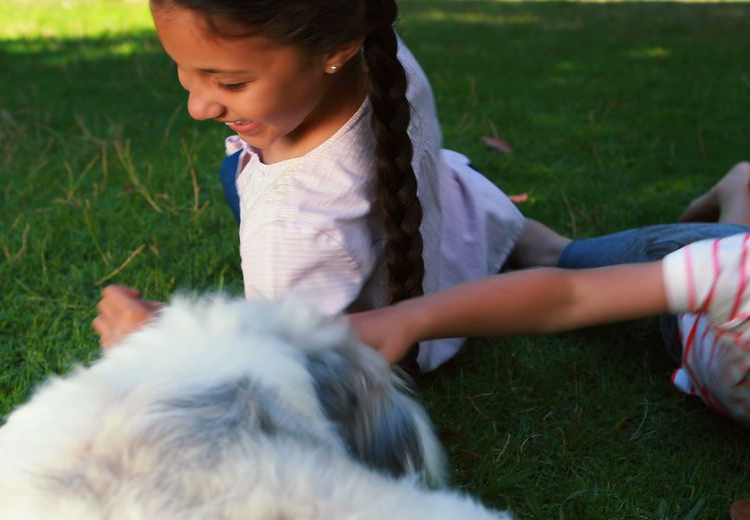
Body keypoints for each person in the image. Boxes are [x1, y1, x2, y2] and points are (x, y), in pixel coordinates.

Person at [351, 69, 750, 468]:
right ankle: (476, 196)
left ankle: (735, 186)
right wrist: (414, 316)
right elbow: (569, 297)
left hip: (734, 280)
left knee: (743, 249)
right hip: (690, 290)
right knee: (555, 255)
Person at [91, 0, 563, 372]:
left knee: (231, 175)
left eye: (231, 84)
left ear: (335, 50)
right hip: (454, 229)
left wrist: (171, 338)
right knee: (232, 169)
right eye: (183, 67)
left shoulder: (292, 229)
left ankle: (536, 246)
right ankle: (528, 241)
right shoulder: (377, 48)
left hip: (393, 310)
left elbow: (291, 372)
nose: (197, 107)